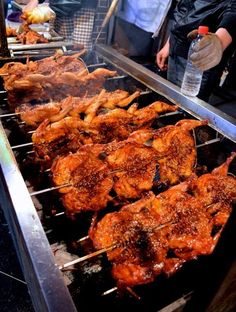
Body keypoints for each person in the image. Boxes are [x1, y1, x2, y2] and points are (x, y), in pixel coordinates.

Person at [156, 0, 236, 101]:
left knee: (187, 108)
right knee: (169, 100)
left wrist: (219, 42)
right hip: (175, 49)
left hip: (201, 59)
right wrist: (169, 43)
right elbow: (185, 6)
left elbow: (233, 13)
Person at [24, 0, 98, 49]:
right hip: (58, 4)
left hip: (82, 8)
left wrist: (55, 7)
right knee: (60, 46)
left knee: (80, 48)